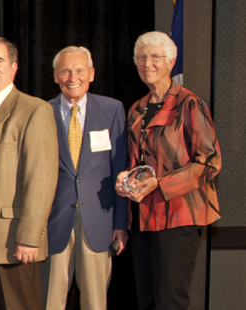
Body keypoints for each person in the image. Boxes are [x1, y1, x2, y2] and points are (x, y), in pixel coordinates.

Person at [118, 31, 221, 310]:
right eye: (141, 57)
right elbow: (138, 163)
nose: (147, 63)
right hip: (143, 219)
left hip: (179, 217)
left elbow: (210, 161)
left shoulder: (189, 104)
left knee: (171, 302)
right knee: (147, 301)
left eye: (155, 57)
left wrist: (159, 184)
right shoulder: (137, 109)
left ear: (171, 61)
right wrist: (125, 180)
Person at [0, 37, 58, 310]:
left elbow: (40, 179)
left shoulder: (34, 110)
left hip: (12, 243)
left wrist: (30, 237)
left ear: (13, 68)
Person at [41, 46, 128, 310]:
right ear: (55, 75)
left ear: (91, 74)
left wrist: (121, 224)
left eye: (79, 70)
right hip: (54, 223)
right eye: (65, 71)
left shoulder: (113, 110)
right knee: (49, 303)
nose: (72, 77)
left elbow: (119, 169)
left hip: (98, 223)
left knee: (95, 303)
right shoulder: (41, 112)